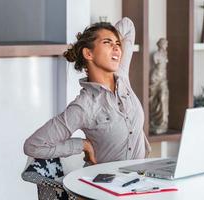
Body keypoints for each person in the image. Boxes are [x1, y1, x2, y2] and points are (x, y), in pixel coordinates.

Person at [24, 17, 151, 165]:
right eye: (107, 43)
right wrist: (82, 145)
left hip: (142, 180)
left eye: (117, 43)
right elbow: (33, 146)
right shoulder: (83, 107)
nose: (117, 48)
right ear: (89, 54)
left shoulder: (121, 75)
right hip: (107, 185)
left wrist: (109, 37)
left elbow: (128, 25)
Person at [149, 38, 169, 134]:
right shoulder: (155, 55)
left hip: (163, 79)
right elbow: (155, 67)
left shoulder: (165, 54)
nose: (166, 45)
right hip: (156, 78)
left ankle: (162, 122)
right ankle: (156, 121)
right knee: (154, 99)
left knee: (163, 98)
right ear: (161, 44)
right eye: (165, 44)